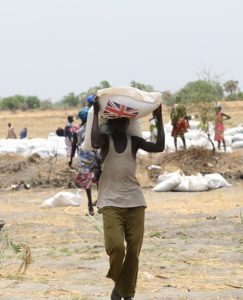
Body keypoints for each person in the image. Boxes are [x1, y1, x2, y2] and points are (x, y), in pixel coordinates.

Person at [91, 98, 165, 300]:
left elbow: (158, 147)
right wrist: (97, 111)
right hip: (110, 202)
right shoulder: (106, 142)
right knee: (116, 247)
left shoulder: (135, 142)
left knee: (133, 251)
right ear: (111, 124)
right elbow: (95, 141)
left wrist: (159, 119)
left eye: (124, 121)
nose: (121, 124)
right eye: (117, 121)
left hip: (135, 202)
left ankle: (126, 293)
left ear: (128, 124)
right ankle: (119, 283)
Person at [69, 107, 100, 216]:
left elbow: (74, 145)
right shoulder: (93, 128)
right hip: (95, 155)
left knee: (87, 183)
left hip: (83, 159)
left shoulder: (77, 130)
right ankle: (100, 201)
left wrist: (71, 158)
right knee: (99, 177)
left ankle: (90, 206)